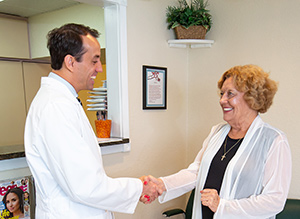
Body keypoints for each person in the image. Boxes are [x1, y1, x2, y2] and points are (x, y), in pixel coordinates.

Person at [24, 23, 158, 219]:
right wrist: (139, 188)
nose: (100, 68)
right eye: (94, 61)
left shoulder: (64, 101)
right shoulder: (55, 107)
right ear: (70, 62)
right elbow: (85, 186)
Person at [146, 65, 292, 219]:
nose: (222, 100)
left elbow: (274, 201)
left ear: (252, 97)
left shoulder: (274, 141)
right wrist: (161, 185)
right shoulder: (217, 132)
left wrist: (222, 206)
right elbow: (196, 173)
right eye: (222, 94)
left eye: (230, 94)